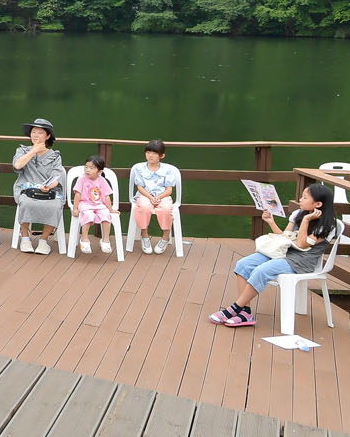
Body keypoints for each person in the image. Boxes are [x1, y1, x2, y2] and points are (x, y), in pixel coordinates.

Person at [210, 182, 339, 328]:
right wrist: (271, 222)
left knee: (261, 270)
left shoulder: (327, 225)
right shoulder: (299, 214)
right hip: (283, 251)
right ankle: (245, 312)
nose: (300, 199)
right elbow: (284, 237)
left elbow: (302, 244)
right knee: (243, 265)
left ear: (318, 204)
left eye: (305, 197)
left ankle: (234, 309)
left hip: (301, 261)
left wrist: (306, 220)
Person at [12, 117, 66, 254]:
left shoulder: (55, 156)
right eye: (33, 132)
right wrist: (33, 151)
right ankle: (25, 238)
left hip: (47, 189)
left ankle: (44, 240)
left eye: (40, 132)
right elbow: (17, 165)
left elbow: (56, 176)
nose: (36, 135)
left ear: (47, 136)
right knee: (26, 202)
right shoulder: (22, 150)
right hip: (26, 188)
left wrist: (49, 186)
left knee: (54, 205)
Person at [129, 139, 180, 253]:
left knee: (166, 209)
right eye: (148, 152)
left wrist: (159, 197)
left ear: (162, 156)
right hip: (145, 195)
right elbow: (140, 187)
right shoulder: (139, 169)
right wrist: (150, 197)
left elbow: (169, 190)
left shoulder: (168, 170)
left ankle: (165, 237)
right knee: (144, 207)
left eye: (154, 153)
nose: (150, 155)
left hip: (163, 196)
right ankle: (145, 236)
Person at [73, 155, 115, 254]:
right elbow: (77, 194)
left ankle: (105, 240)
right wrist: (75, 208)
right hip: (85, 203)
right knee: (88, 215)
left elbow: (106, 196)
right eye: (86, 167)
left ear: (99, 171)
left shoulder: (102, 180)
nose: (87, 170)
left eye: (91, 168)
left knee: (106, 215)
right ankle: (84, 239)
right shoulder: (81, 179)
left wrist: (110, 209)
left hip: (99, 204)